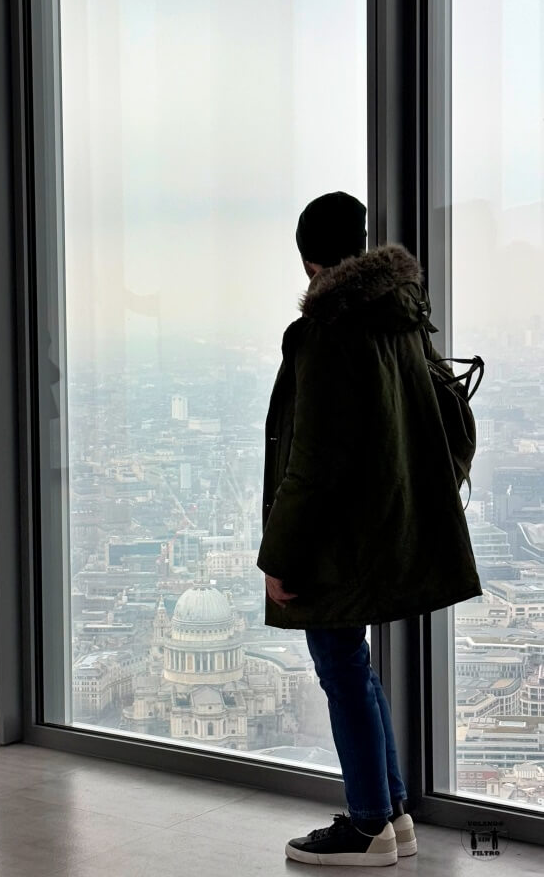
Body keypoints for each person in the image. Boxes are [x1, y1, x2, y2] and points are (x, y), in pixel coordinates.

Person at [257, 191, 482, 867]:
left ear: (309, 261)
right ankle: (392, 811)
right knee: (354, 665)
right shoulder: (402, 318)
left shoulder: (327, 333)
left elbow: (313, 462)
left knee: (340, 665)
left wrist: (281, 555)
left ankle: (367, 825)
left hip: (337, 538)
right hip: (392, 521)